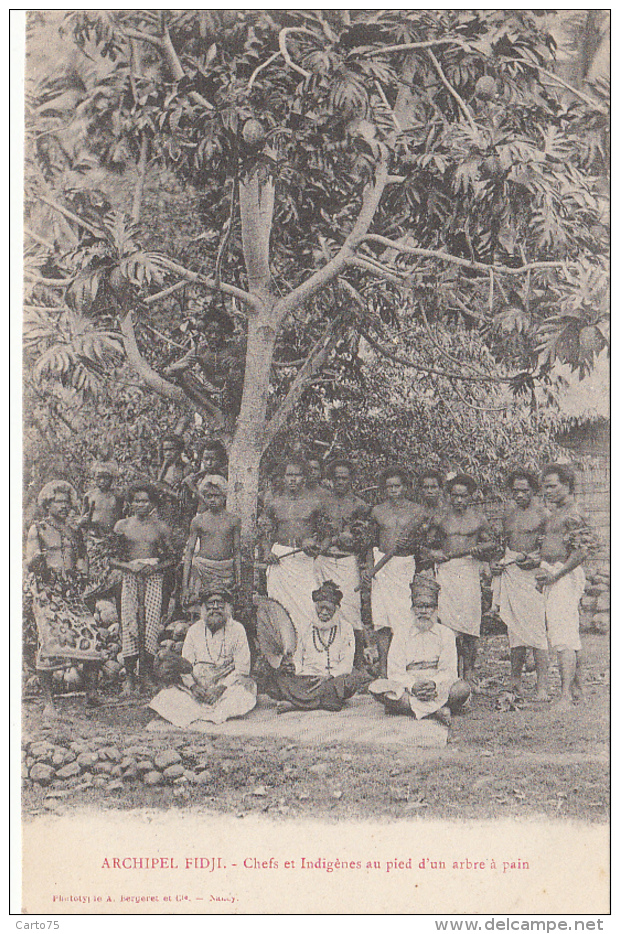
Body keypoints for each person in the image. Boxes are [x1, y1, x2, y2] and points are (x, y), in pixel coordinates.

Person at [25, 481, 102, 717]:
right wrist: (39, 559)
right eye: (59, 501)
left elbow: (82, 558)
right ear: (48, 504)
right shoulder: (37, 529)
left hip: (70, 592)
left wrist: (83, 573)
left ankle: (91, 694)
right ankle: (49, 703)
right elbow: (30, 561)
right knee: (49, 643)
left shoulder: (74, 531)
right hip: (46, 592)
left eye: (67, 502)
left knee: (93, 636)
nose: (64, 506)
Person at [149, 585, 257, 727]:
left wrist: (220, 688)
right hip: (198, 687)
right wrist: (193, 686)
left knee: (242, 696)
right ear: (203, 608)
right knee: (167, 697)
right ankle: (203, 711)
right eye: (210, 604)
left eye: (219, 603)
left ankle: (210, 713)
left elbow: (242, 669)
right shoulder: (194, 630)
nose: (215, 608)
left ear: (227, 607)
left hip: (227, 686)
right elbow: (185, 665)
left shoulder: (237, 629)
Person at [369, 575, 470, 725]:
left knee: (462, 689)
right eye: (419, 606)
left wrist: (433, 683)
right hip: (409, 686)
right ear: (412, 609)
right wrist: (412, 686)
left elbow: (449, 671)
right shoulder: (401, 633)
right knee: (377, 687)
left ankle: (408, 708)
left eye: (428, 606)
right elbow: (395, 671)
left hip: (437, 687)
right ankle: (436, 711)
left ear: (436, 609)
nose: (423, 611)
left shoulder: (446, 634)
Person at [538, 464, 597, 709]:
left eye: (553, 485)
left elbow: (583, 550)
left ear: (568, 485)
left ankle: (565, 697)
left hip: (564, 576)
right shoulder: (556, 512)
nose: (547, 491)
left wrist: (557, 574)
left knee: (564, 638)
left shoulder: (574, 512)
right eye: (545, 486)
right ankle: (577, 690)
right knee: (566, 635)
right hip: (553, 575)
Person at [260, 581, 368, 712]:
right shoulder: (306, 626)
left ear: (336, 608)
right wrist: (295, 669)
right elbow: (298, 658)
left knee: (352, 679)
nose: (323, 612)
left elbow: (346, 663)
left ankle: (295, 704)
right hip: (307, 678)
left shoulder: (346, 628)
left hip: (332, 679)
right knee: (275, 679)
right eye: (320, 608)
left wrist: (330, 676)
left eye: (328, 609)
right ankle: (318, 702)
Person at [431, 474, 496, 687]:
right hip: (447, 571)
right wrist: (434, 554)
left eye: (463, 496)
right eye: (455, 496)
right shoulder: (440, 518)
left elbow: (491, 545)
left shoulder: (479, 518)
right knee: (447, 625)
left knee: (470, 625)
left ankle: (469, 672)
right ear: (449, 496)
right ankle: (450, 672)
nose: (459, 500)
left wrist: (481, 551)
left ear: (471, 496)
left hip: (468, 571)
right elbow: (426, 545)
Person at [361, 468, 426, 677]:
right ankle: (384, 669)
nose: (393, 490)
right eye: (389, 487)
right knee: (382, 620)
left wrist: (412, 542)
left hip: (404, 565)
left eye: (397, 486)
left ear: (405, 487)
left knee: (404, 617)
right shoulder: (377, 511)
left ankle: (404, 664)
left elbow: (422, 543)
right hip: (382, 566)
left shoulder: (417, 511)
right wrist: (370, 569)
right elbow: (371, 542)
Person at [491, 469, 549, 700]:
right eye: (515, 491)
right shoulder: (508, 515)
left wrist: (535, 557)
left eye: (524, 491)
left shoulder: (544, 515)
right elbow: (502, 546)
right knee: (514, 631)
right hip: (511, 572)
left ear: (534, 491)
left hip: (532, 575)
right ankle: (515, 682)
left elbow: (550, 547)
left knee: (536, 631)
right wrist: (497, 563)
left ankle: (542, 687)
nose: (519, 495)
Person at [113, 484, 174, 693]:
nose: (141, 504)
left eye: (145, 501)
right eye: (137, 500)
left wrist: (155, 567)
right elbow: (111, 558)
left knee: (149, 627)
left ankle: (146, 675)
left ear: (152, 503)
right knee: (130, 623)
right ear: (130, 503)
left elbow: (172, 558)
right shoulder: (122, 526)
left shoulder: (160, 528)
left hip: (153, 579)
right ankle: (129, 677)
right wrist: (128, 566)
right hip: (130, 578)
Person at [315, 459, 369, 667]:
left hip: (346, 561)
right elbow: (314, 531)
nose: (340, 482)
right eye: (336, 478)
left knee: (351, 609)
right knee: (323, 607)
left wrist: (353, 540)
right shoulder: (322, 503)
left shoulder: (359, 505)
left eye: (344, 478)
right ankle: (325, 659)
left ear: (351, 480)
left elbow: (366, 540)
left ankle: (357, 664)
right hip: (325, 559)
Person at [263, 457, 325, 636]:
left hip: (304, 559)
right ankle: (285, 651)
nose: (292, 479)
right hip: (280, 558)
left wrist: (315, 545)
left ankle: (307, 650)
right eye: (289, 475)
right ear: (283, 477)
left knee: (307, 604)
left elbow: (326, 534)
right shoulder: (274, 503)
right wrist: (267, 552)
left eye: (297, 475)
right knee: (279, 605)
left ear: (304, 478)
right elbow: (266, 532)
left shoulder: (314, 503)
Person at [181, 475, 240, 601]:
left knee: (223, 605)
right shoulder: (198, 520)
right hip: (202, 569)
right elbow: (190, 551)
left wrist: (238, 578)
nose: (212, 500)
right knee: (199, 605)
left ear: (224, 497)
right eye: (208, 496)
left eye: (216, 496)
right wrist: (185, 586)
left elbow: (236, 550)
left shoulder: (233, 520)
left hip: (225, 571)